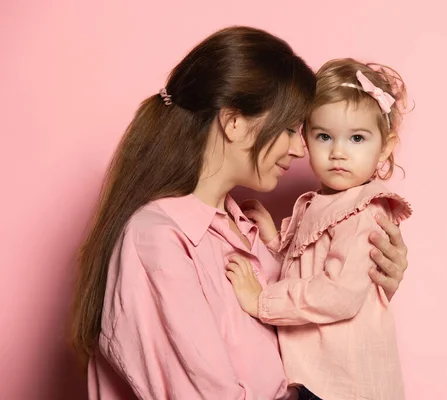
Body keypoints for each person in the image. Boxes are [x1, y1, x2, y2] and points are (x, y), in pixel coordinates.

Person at [70, 27, 410, 399]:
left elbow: (305, 327)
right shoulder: (160, 238)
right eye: (289, 129)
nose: (301, 150)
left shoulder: (249, 229)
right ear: (234, 123)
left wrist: (370, 283)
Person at [226, 58, 411, 400]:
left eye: (357, 138)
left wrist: (261, 301)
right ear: (307, 140)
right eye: (324, 136)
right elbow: (309, 264)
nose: (338, 152)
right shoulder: (322, 203)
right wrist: (275, 241)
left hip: (345, 385)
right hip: (316, 378)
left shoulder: (365, 210)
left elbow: (337, 295)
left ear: (384, 147)